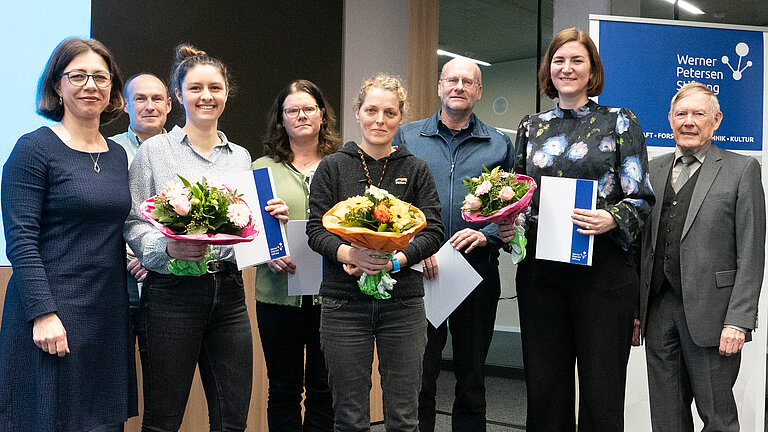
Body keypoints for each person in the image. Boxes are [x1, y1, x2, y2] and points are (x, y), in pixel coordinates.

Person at [123, 43, 289, 432]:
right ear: (178, 95)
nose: (206, 96)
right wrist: (164, 248)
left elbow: (245, 229)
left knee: (232, 420)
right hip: (170, 296)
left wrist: (271, 222)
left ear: (226, 93)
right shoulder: (154, 152)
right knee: (163, 421)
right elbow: (133, 221)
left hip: (229, 294)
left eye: (215, 88)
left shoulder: (241, 157)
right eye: (195, 88)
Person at [498, 28, 655, 431]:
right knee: (545, 388)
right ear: (548, 70)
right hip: (541, 273)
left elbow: (641, 198)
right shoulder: (530, 126)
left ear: (592, 70)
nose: (566, 68)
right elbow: (517, 196)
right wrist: (506, 223)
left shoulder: (621, 121)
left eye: (577, 60)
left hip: (603, 274)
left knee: (602, 392)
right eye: (559, 60)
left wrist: (612, 218)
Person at [0, 37, 137, 432]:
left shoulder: (117, 155)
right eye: (77, 76)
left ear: (112, 87)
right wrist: (43, 314)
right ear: (57, 86)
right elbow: (21, 239)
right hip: (52, 313)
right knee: (48, 420)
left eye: (100, 76)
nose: (90, 85)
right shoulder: (33, 149)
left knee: (103, 423)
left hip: (108, 313)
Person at [306, 73, 443, 431]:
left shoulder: (416, 169)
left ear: (401, 118)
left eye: (390, 112)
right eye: (371, 110)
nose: (380, 120)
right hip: (343, 305)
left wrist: (396, 259)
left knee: (403, 418)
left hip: (404, 307)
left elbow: (433, 231)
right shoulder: (332, 166)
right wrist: (350, 255)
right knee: (349, 418)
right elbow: (315, 230)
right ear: (358, 112)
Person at [392, 57, 515, 432]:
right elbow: (391, 203)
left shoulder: (498, 143)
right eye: (452, 80)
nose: (459, 86)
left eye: (468, 81)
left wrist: (489, 234)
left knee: (471, 378)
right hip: (420, 273)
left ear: (478, 92)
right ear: (440, 86)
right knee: (419, 379)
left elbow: (510, 210)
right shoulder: (409, 137)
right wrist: (416, 246)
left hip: (475, 273)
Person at [637, 82, 765, 431]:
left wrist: (739, 320)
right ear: (670, 120)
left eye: (698, 114)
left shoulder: (742, 169)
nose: (689, 121)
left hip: (715, 317)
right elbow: (642, 246)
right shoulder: (653, 169)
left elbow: (752, 252)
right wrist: (637, 312)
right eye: (681, 114)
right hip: (659, 312)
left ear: (716, 120)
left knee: (718, 419)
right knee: (666, 419)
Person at [252, 79, 341, 431]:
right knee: (284, 389)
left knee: (324, 389)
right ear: (281, 120)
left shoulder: (342, 165)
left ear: (322, 115)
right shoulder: (261, 167)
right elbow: (245, 228)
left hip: (333, 296)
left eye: (308, 108)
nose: (301, 115)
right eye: (292, 110)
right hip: (276, 296)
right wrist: (265, 253)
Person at [109, 73, 171, 330]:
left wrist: (155, 257)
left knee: (161, 367)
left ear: (168, 104)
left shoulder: (181, 151)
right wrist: (134, 256)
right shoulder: (108, 151)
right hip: (117, 277)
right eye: (140, 98)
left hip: (170, 276)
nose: (149, 106)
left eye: (157, 99)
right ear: (126, 104)